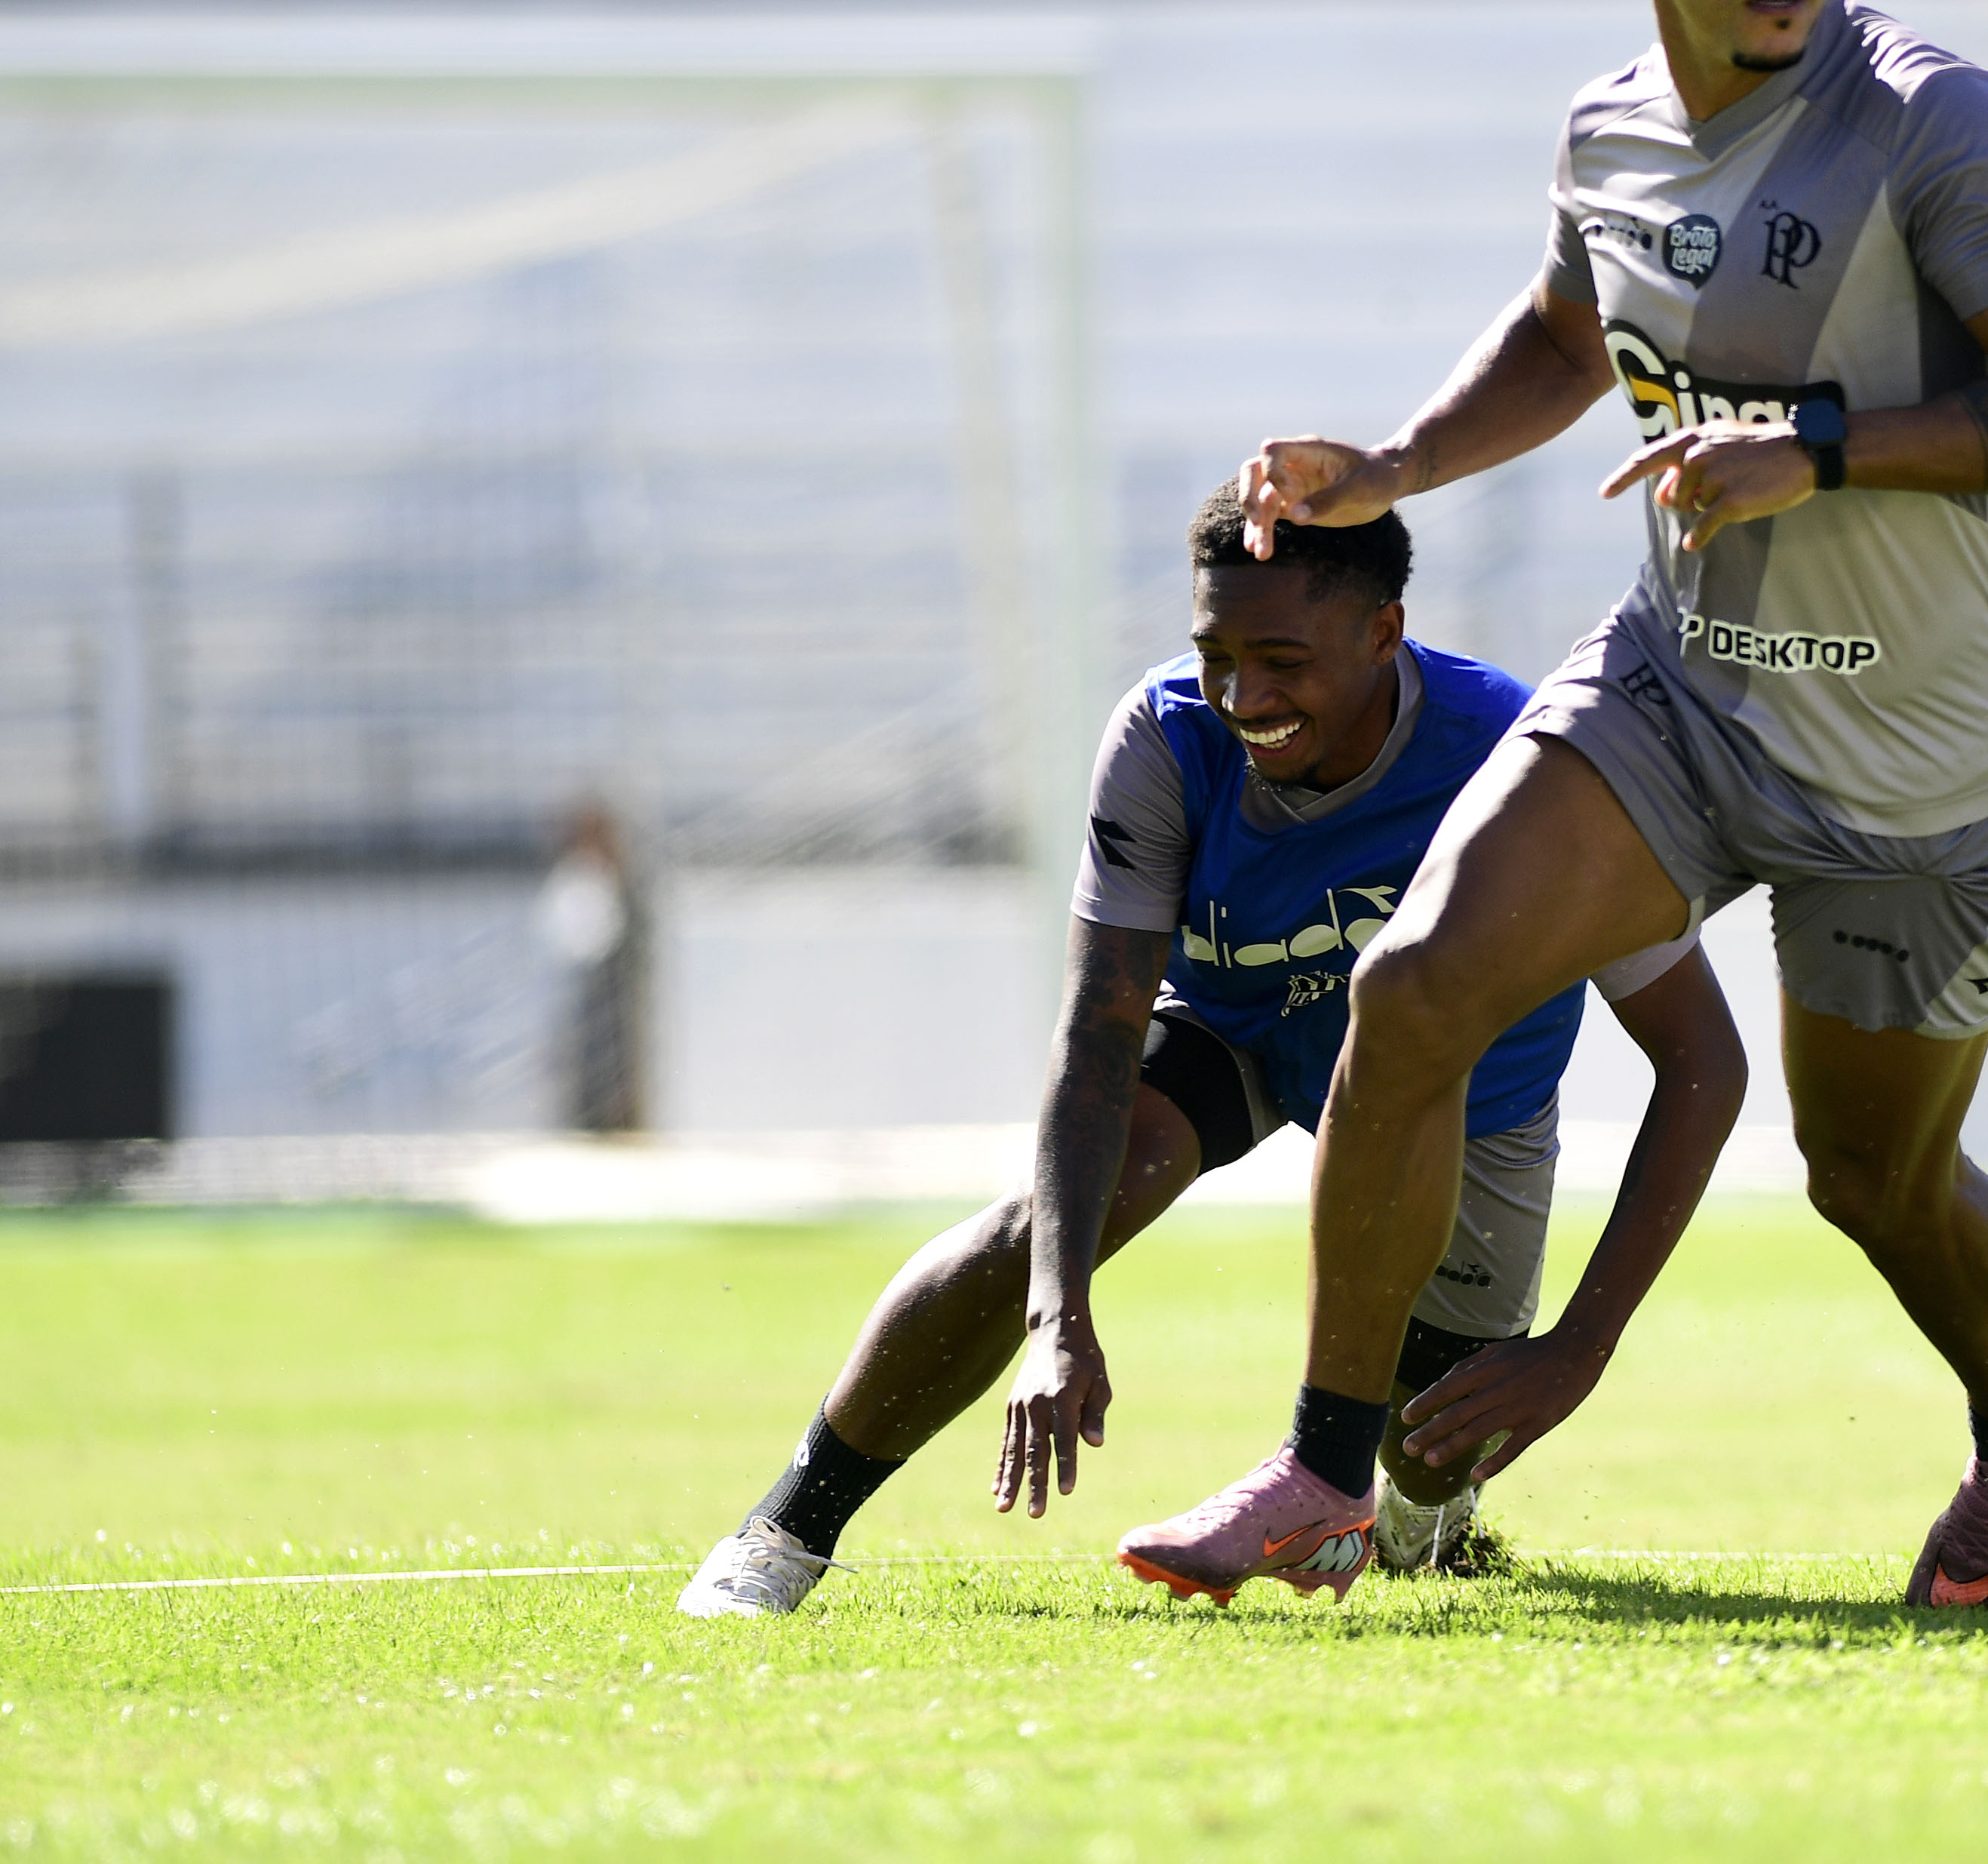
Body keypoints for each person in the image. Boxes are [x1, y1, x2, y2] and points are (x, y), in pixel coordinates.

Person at [1119, 0, 1988, 1611]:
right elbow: (1561, 328)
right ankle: (1321, 1474)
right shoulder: (1606, 128)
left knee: (1875, 1184)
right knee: (1415, 986)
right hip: (1686, 684)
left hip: (1916, 760)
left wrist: (1811, 444)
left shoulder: (1939, 119)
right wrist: (1399, 466)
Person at [678, 489, 1747, 1616]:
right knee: (1043, 1227)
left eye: (1280, 659)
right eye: (1217, 654)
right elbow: (1097, 1036)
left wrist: (1580, 1344)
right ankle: (782, 1532)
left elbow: (1701, 1061)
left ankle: (1424, 1515)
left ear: (1384, 634)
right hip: (1243, 1031)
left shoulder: (1519, 755)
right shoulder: (1167, 734)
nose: (1244, 697)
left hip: (1461, 1103)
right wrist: (1058, 1316)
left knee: (1431, 1447)